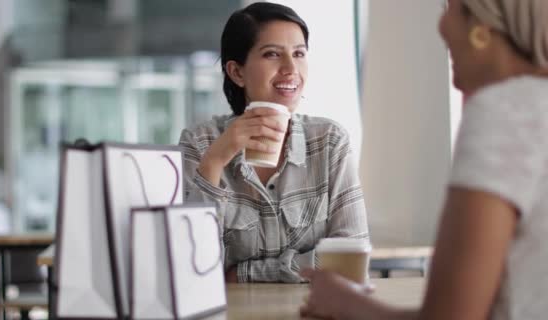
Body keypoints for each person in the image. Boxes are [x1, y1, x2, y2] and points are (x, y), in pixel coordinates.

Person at [300, 0, 548, 319]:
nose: (442, 27)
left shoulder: (505, 111)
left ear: (482, 27)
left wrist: (344, 303)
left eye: (451, 10)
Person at [179, 2, 369, 283]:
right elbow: (191, 266)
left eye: (299, 53)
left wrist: (242, 273)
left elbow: (350, 256)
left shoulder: (329, 141)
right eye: (272, 54)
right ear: (237, 72)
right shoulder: (200, 143)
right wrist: (216, 160)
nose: (291, 68)